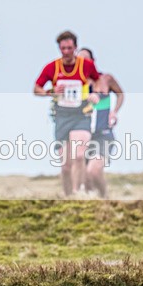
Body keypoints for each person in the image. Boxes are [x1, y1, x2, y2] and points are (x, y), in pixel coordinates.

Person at [34, 32, 101, 196]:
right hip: (62, 116)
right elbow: (36, 89)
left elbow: (98, 80)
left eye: (69, 48)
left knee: (79, 155)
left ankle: (78, 192)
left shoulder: (86, 65)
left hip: (82, 115)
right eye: (63, 48)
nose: (66, 51)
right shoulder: (52, 68)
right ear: (59, 48)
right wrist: (51, 91)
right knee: (66, 165)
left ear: (75, 48)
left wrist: (96, 93)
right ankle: (68, 195)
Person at [78, 49, 124, 197]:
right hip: (84, 134)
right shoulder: (77, 84)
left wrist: (114, 111)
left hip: (103, 133)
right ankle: (92, 207)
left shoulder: (106, 79)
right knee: (84, 177)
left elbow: (120, 94)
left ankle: (105, 197)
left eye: (86, 59)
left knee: (94, 170)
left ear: (93, 61)